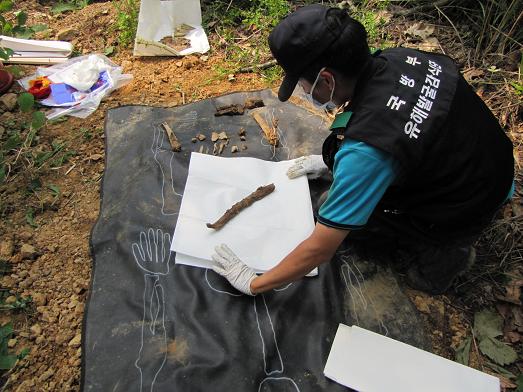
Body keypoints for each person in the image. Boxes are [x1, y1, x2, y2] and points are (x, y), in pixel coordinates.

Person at [211, 4, 514, 296]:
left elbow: (320, 248)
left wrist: (254, 282)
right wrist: (335, 165)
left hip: (469, 201)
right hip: (486, 163)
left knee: (399, 261)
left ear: (326, 79)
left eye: (302, 82)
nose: (302, 90)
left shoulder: (367, 152)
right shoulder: (398, 59)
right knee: (340, 199)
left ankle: (452, 251)